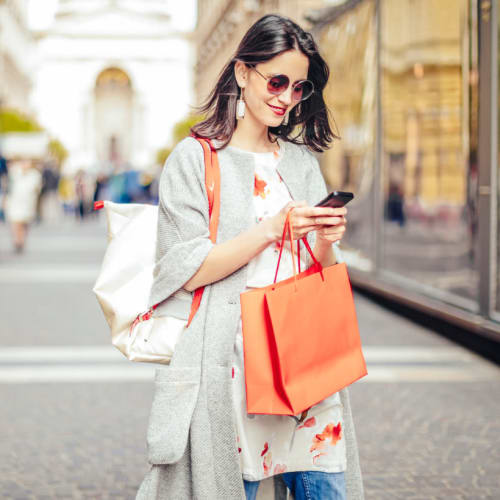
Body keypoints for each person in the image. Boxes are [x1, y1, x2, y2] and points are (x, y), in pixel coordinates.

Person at [136, 14, 364, 500]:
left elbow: (324, 273)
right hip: (232, 364)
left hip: (305, 361)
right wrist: (268, 231)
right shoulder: (196, 158)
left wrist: (326, 239)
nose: (286, 97)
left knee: (327, 486)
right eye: (276, 81)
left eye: (299, 88)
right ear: (243, 72)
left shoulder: (301, 162)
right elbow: (185, 268)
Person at [4, 158, 43, 253]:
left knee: (24, 224)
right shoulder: (14, 173)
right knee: (16, 223)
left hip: (28, 203)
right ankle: (17, 241)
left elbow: (38, 189)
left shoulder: (34, 175)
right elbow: (8, 188)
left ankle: (22, 240)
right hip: (15, 202)